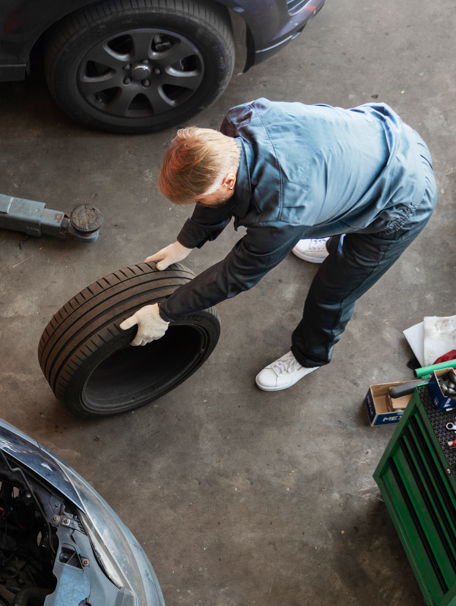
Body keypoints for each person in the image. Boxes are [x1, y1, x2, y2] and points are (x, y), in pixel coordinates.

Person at [120, 100, 437, 391]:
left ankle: (309, 358)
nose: (199, 203)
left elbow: (237, 275)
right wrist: (186, 240)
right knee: (317, 208)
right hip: (373, 140)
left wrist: (165, 312)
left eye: (199, 199)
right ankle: (334, 234)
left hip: (406, 195)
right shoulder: (239, 121)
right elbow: (215, 186)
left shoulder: (281, 213)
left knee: (332, 293)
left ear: (228, 181)